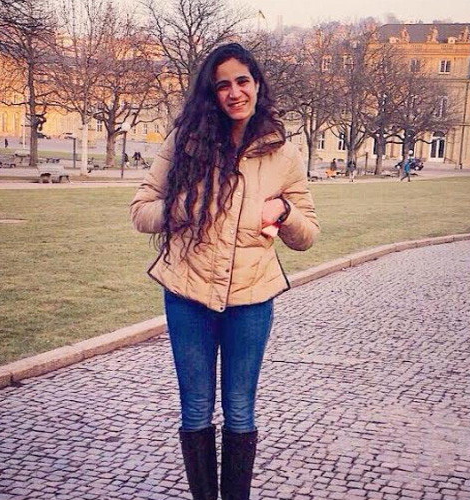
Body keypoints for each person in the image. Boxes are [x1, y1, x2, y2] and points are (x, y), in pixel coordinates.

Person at [130, 43, 319, 500]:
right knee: (196, 409)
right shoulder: (186, 142)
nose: (234, 93)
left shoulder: (283, 154)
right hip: (187, 293)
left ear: (256, 84)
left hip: (251, 299)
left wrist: (285, 211)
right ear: (211, 94)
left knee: (240, 410)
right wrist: (185, 206)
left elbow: (307, 234)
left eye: (242, 81)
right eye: (222, 85)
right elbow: (141, 211)